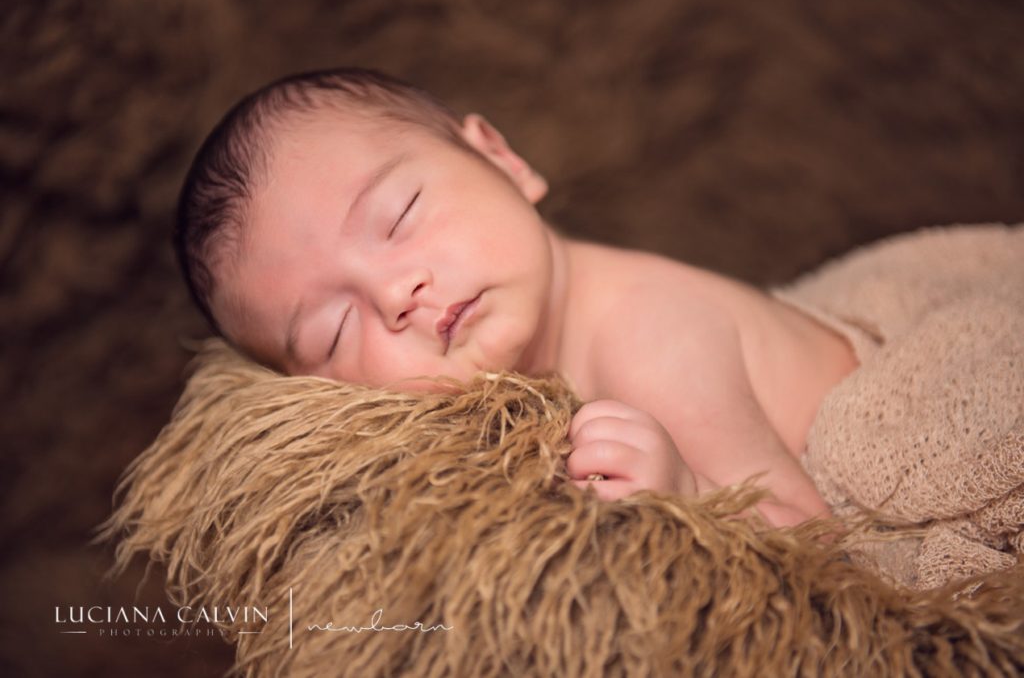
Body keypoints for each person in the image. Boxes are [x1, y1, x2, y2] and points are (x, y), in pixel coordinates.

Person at [175, 68, 859, 527]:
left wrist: (687, 494)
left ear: (502, 159)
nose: (395, 294)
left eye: (399, 214)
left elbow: (812, 540)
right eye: (333, 329)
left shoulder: (649, 339)